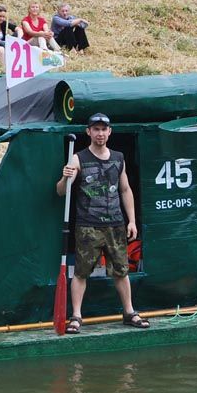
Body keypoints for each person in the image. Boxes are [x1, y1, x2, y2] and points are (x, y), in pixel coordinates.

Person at [56, 112, 147, 334]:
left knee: (121, 271)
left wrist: (132, 221)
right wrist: (66, 177)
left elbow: (125, 190)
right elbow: (60, 192)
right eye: (95, 129)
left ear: (109, 132)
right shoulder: (78, 158)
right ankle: (76, 316)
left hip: (116, 224)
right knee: (81, 272)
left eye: (103, 129)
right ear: (88, 132)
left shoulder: (118, 157)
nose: (100, 133)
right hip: (88, 225)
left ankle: (129, 312)